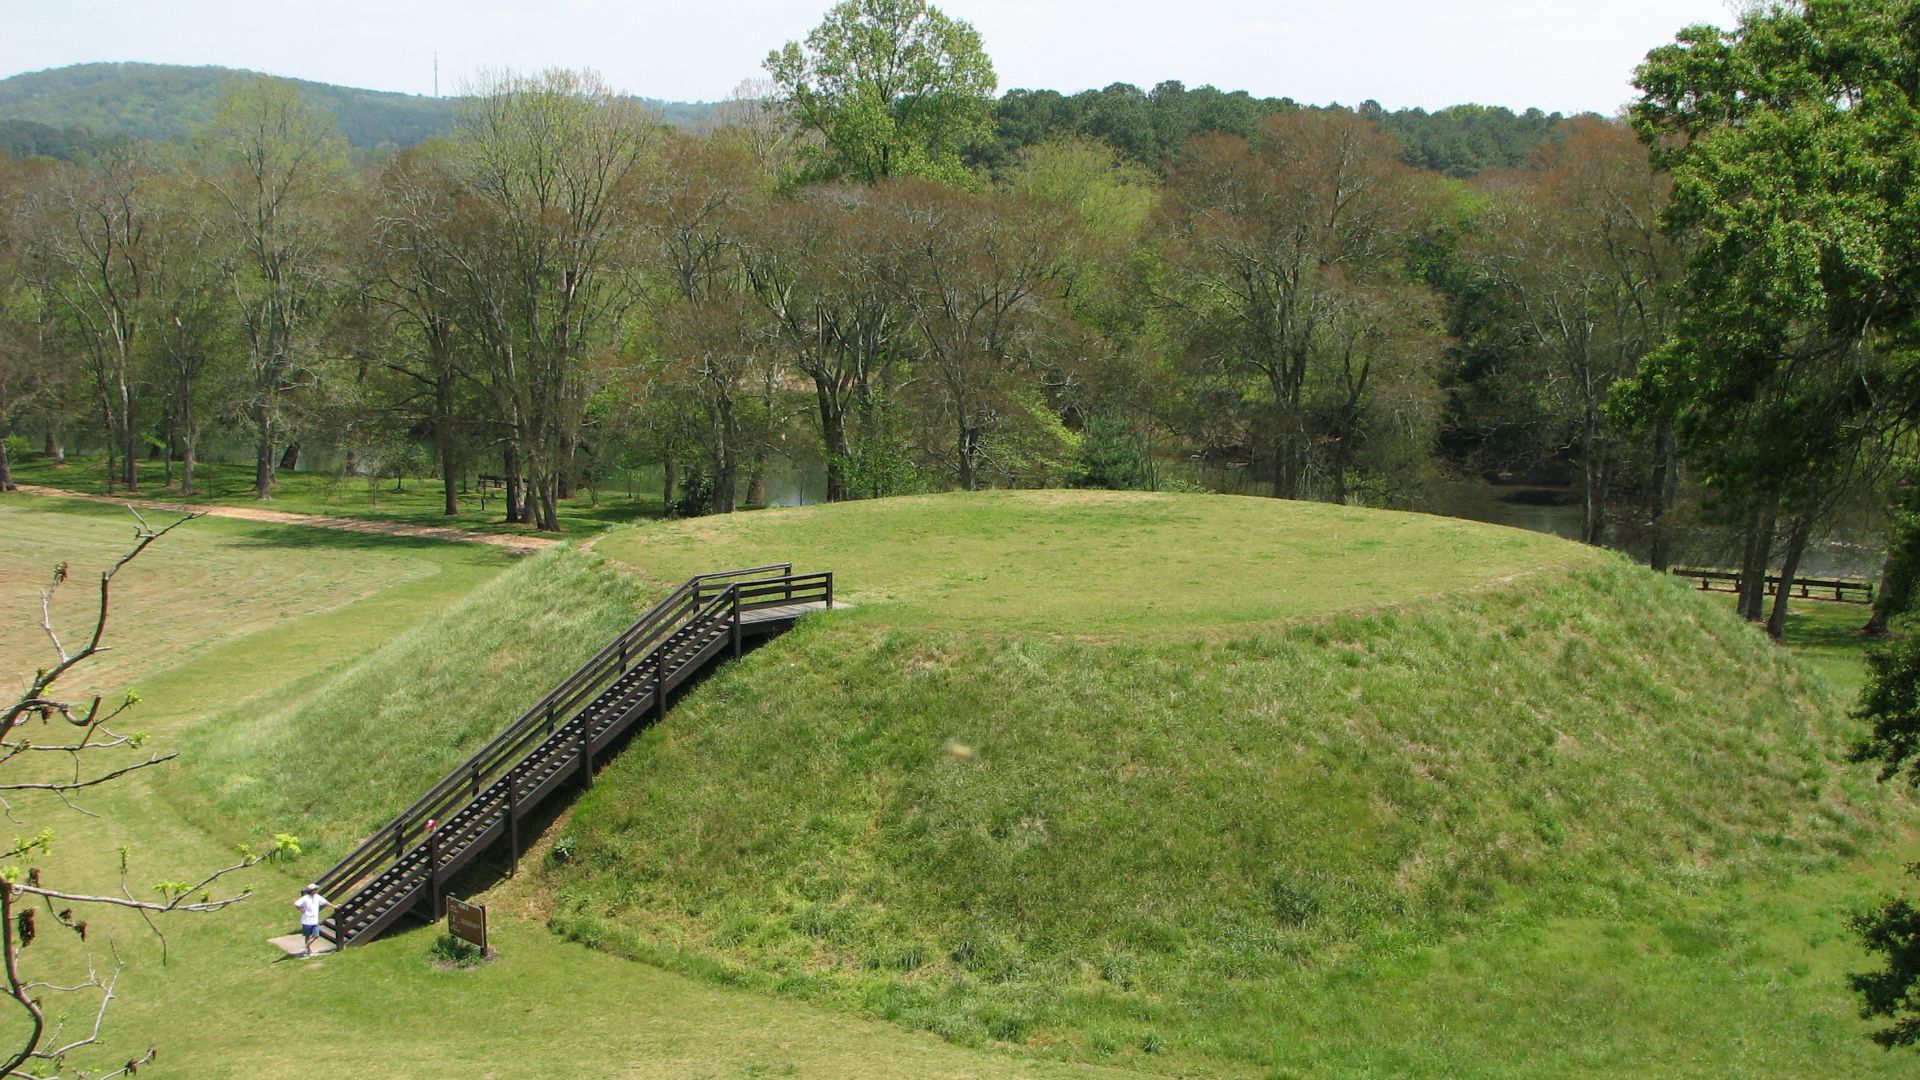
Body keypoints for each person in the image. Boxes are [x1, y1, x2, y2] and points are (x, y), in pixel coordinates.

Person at [292, 883, 332, 957]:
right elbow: (296, 904)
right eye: (315, 889)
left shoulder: (317, 897)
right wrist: (302, 910)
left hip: (314, 921)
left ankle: (305, 947)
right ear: (311, 891)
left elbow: (325, 902)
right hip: (306, 921)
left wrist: (334, 906)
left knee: (316, 935)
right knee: (307, 936)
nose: (316, 890)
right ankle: (308, 950)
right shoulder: (305, 898)